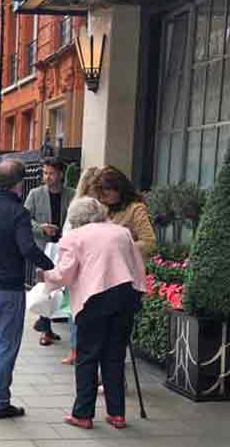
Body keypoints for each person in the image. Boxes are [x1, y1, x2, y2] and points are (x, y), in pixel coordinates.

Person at [41, 197, 147, 430]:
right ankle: (117, 413)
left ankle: (83, 414)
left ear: (76, 218)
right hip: (124, 296)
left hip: (94, 299)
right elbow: (137, 265)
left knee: (88, 355)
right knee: (114, 355)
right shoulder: (121, 233)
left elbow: (65, 274)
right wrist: (139, 292)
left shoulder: (74, 237)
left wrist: (46, 276)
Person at [0, 160, 54, 419]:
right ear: (18, 185)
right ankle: (0, 401)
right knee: (6, 345)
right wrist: (49, 266)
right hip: (9, 289)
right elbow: (27, 248)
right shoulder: (18, 213)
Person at [24, 157, 76, 345]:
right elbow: (24, 219)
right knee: (46, 286)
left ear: (60, 174)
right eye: (45, 173)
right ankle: (45, 329)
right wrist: (41, 227)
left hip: (66, 247)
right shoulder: (35, 194)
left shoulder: (72, 194)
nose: (47, 177)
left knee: (60, 286)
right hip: (43, 247)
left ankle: (47, 322)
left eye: (51, 173)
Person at [60, 166, 103, 366]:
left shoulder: (100, 206)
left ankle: (80, 351)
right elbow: (67, 234)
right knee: (75, 309)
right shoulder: (79, 205)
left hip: (88, 267)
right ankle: (76, 349)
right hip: (81, 266)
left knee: (78, 308)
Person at [97, 166, 157, 260]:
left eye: (107, 190)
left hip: (125, 266)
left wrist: (120, 248)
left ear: (119, 188)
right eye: (101, 191)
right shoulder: (101, 209)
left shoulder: (135, 209)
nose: (104, 195)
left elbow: (149, 242)